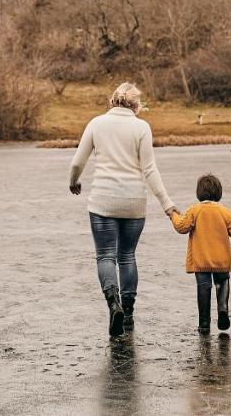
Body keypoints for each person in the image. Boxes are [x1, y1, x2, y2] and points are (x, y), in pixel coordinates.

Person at [69, 83, 178, 337]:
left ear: (113, 101)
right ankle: (128, 312)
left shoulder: (96, 123)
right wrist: (167, 204)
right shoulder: (142, 127)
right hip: (133, 202)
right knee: (127, 256)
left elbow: (78, 161)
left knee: (106, 256)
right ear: (136, 104)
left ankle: (113, 303)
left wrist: (73, 181)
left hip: (102, 202)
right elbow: (149, 169)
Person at [169, 174, 231, 335]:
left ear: (199, 192)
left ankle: (204, 323)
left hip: (201, 260)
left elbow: (182, 227)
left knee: (203, 287)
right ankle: (223, 309)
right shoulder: (224, 211)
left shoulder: (194, 210)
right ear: (219, 193)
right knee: (222, 282)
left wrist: (173, 215)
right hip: (222, 259)